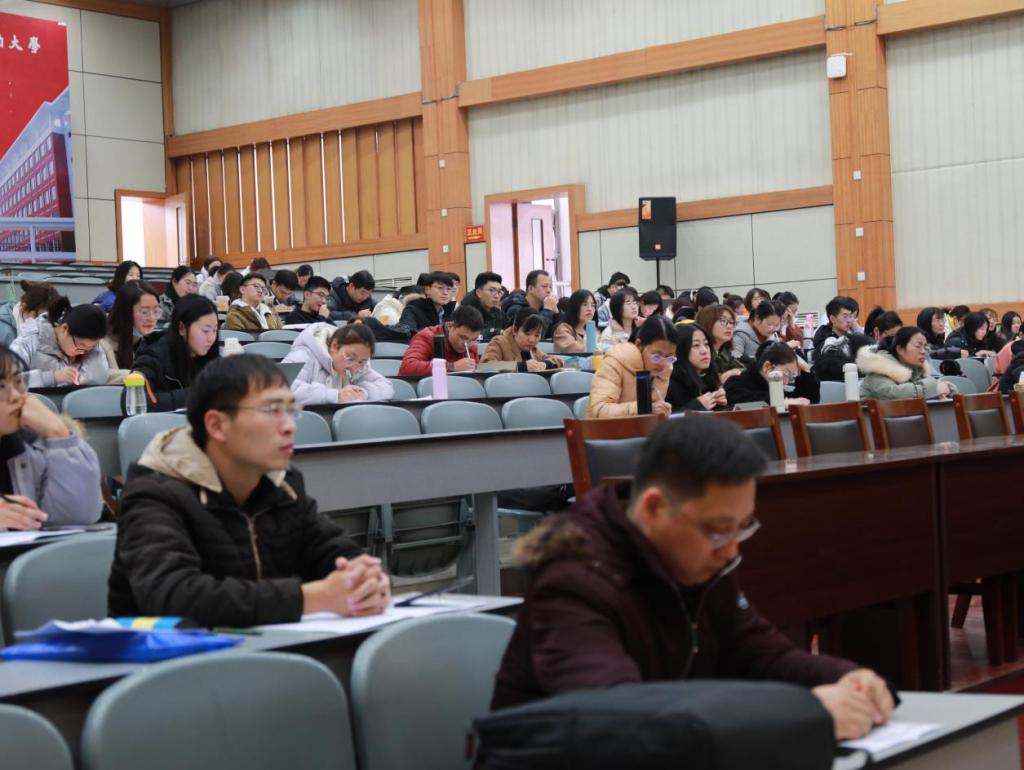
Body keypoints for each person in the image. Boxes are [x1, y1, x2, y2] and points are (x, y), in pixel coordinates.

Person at [491, 417, 895, 742]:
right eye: (718, 530)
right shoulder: (573, 582)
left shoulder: (697, 562)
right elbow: (616, 717)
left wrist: (844, 678)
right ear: (654, 509)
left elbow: (759, 653)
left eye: (742, 527)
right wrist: (803, 714)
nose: (730, 551)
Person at [108, 354, 390, 627]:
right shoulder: (155, 493)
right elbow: (174, 598)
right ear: (217, 425)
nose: (289, 426)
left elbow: (332, 550)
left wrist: (363, 578)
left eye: (291, 411)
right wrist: (313, 598)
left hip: (266, 648)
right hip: (165, 656)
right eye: (272, 411)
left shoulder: (282, 484)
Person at [0, 345, 102, 528]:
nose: (16, 396)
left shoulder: (30, 447)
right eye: (1, 387)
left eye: (18, 382)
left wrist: (60, 434)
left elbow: (79, 517)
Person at [131, 295, 220, 412]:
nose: (211, 338)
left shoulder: (210, 357)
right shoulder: (152, 356)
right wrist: (196, 394)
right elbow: (134, 400)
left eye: (215, 330)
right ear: (182, 328)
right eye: (205, 331)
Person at [588, 315, 678, 418]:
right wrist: (643, 408)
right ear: (639, 345)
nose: (662, 364)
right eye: (656, 356)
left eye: (669, 358)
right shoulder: (615, 362)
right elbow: (598, 410)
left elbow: (653, 409)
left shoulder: (666, 368)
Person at [283, 323, 394, 405]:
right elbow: (280, 388)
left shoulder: (360, 367)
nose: (354, 368)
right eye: (350, 358)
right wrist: (335, 395)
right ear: (335, 346)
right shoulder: (303, 356)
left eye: (362, 361)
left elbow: (386, 387)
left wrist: (363, 393)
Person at [12, 298, 109, 388]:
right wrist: (51, 377)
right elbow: (7, 382)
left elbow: (98, 380)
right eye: (80, 346)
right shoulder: (28, 343)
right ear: (64, 328)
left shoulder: (91, 349)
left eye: (90, 348)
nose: (82, 352)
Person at [857, 327, 954, 402]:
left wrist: (947, 389)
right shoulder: (879, 367)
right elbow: (893, 394)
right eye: (918, 346)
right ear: (900, 349)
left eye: (925, 347)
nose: (923, 352)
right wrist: (934, 389)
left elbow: (937, 386)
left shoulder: (916, 369)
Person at [725, 342, 820, 407]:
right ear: (767, 366)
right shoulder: (735, 384)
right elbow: (745, 402)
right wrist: (781, 403)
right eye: (786, 374)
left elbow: (808, 401)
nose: (786, 382)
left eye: (791, 377)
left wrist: (806, 370)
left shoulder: (773, 388)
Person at [100, 281, 161, 383]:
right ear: (125, 313)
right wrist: (140, 375)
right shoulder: (100, 342)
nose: (152, 318)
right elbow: (99, 375)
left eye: (156, 311)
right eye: (144, 312)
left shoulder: (157, 341)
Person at [397, 305, 484, 376]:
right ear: (451, 326)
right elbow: (407, 367)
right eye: (463, 338)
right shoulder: (427, 337)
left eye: (474, 339)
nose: (467, 344)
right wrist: (451, 367)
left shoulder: (472, 345)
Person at [666, 324, 727, 411]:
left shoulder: (708, 378)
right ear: (681, 349)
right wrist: (697, 406)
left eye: (706, 344)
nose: (704, 351)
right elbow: (663, 418)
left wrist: (719, 404)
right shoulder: (669, 383)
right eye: (696, 345)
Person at [482, 310, 564, 372]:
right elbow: (485, 366)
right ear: (514, 330)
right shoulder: (499, 342)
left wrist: (545, 364)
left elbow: (557, 361)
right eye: (527, 334)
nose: (532, 340)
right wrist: (521, 366)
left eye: (537, 335)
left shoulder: (533, 349)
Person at [0, 281, 60, 347]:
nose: (42, 323)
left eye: (47, 319)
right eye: (37, 317)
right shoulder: (3, 332)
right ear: (24, 308)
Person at [695, 304, 744, 383]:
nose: (729, 326)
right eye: (723, 321)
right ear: (708, 322)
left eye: (731, 322)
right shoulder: (700, 352)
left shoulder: (723, 350)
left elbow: (740, 369)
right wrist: (720, 379)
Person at [503, 269, 559, 336]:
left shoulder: (545, 308)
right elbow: (532, 335)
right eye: (544, 286)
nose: (549, 290)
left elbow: (559, 334)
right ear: (530, 289)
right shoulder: (516, 309)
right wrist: (547, 310)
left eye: (550, 287)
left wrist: (557, 314)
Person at [397, 271, 455, 335]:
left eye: (448, 289)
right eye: (440, 288)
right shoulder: (413, 310)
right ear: (427, 290)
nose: (445, 293)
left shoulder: (450, 312)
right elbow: (407, 333)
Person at [460, 272, 506, 340]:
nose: (497, 296)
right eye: (492, 290)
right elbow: (468, 337)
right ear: (479, 293)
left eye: (499, 291)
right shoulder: (464, 313)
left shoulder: (498, 313)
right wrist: (494, 332)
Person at [552, 289, 597, 354]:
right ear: (574, 307)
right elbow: (571, 348)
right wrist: (597, 347)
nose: (590, 309)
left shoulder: (592, 328)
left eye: (592, 305)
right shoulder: (563, 329)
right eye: (585, 304)